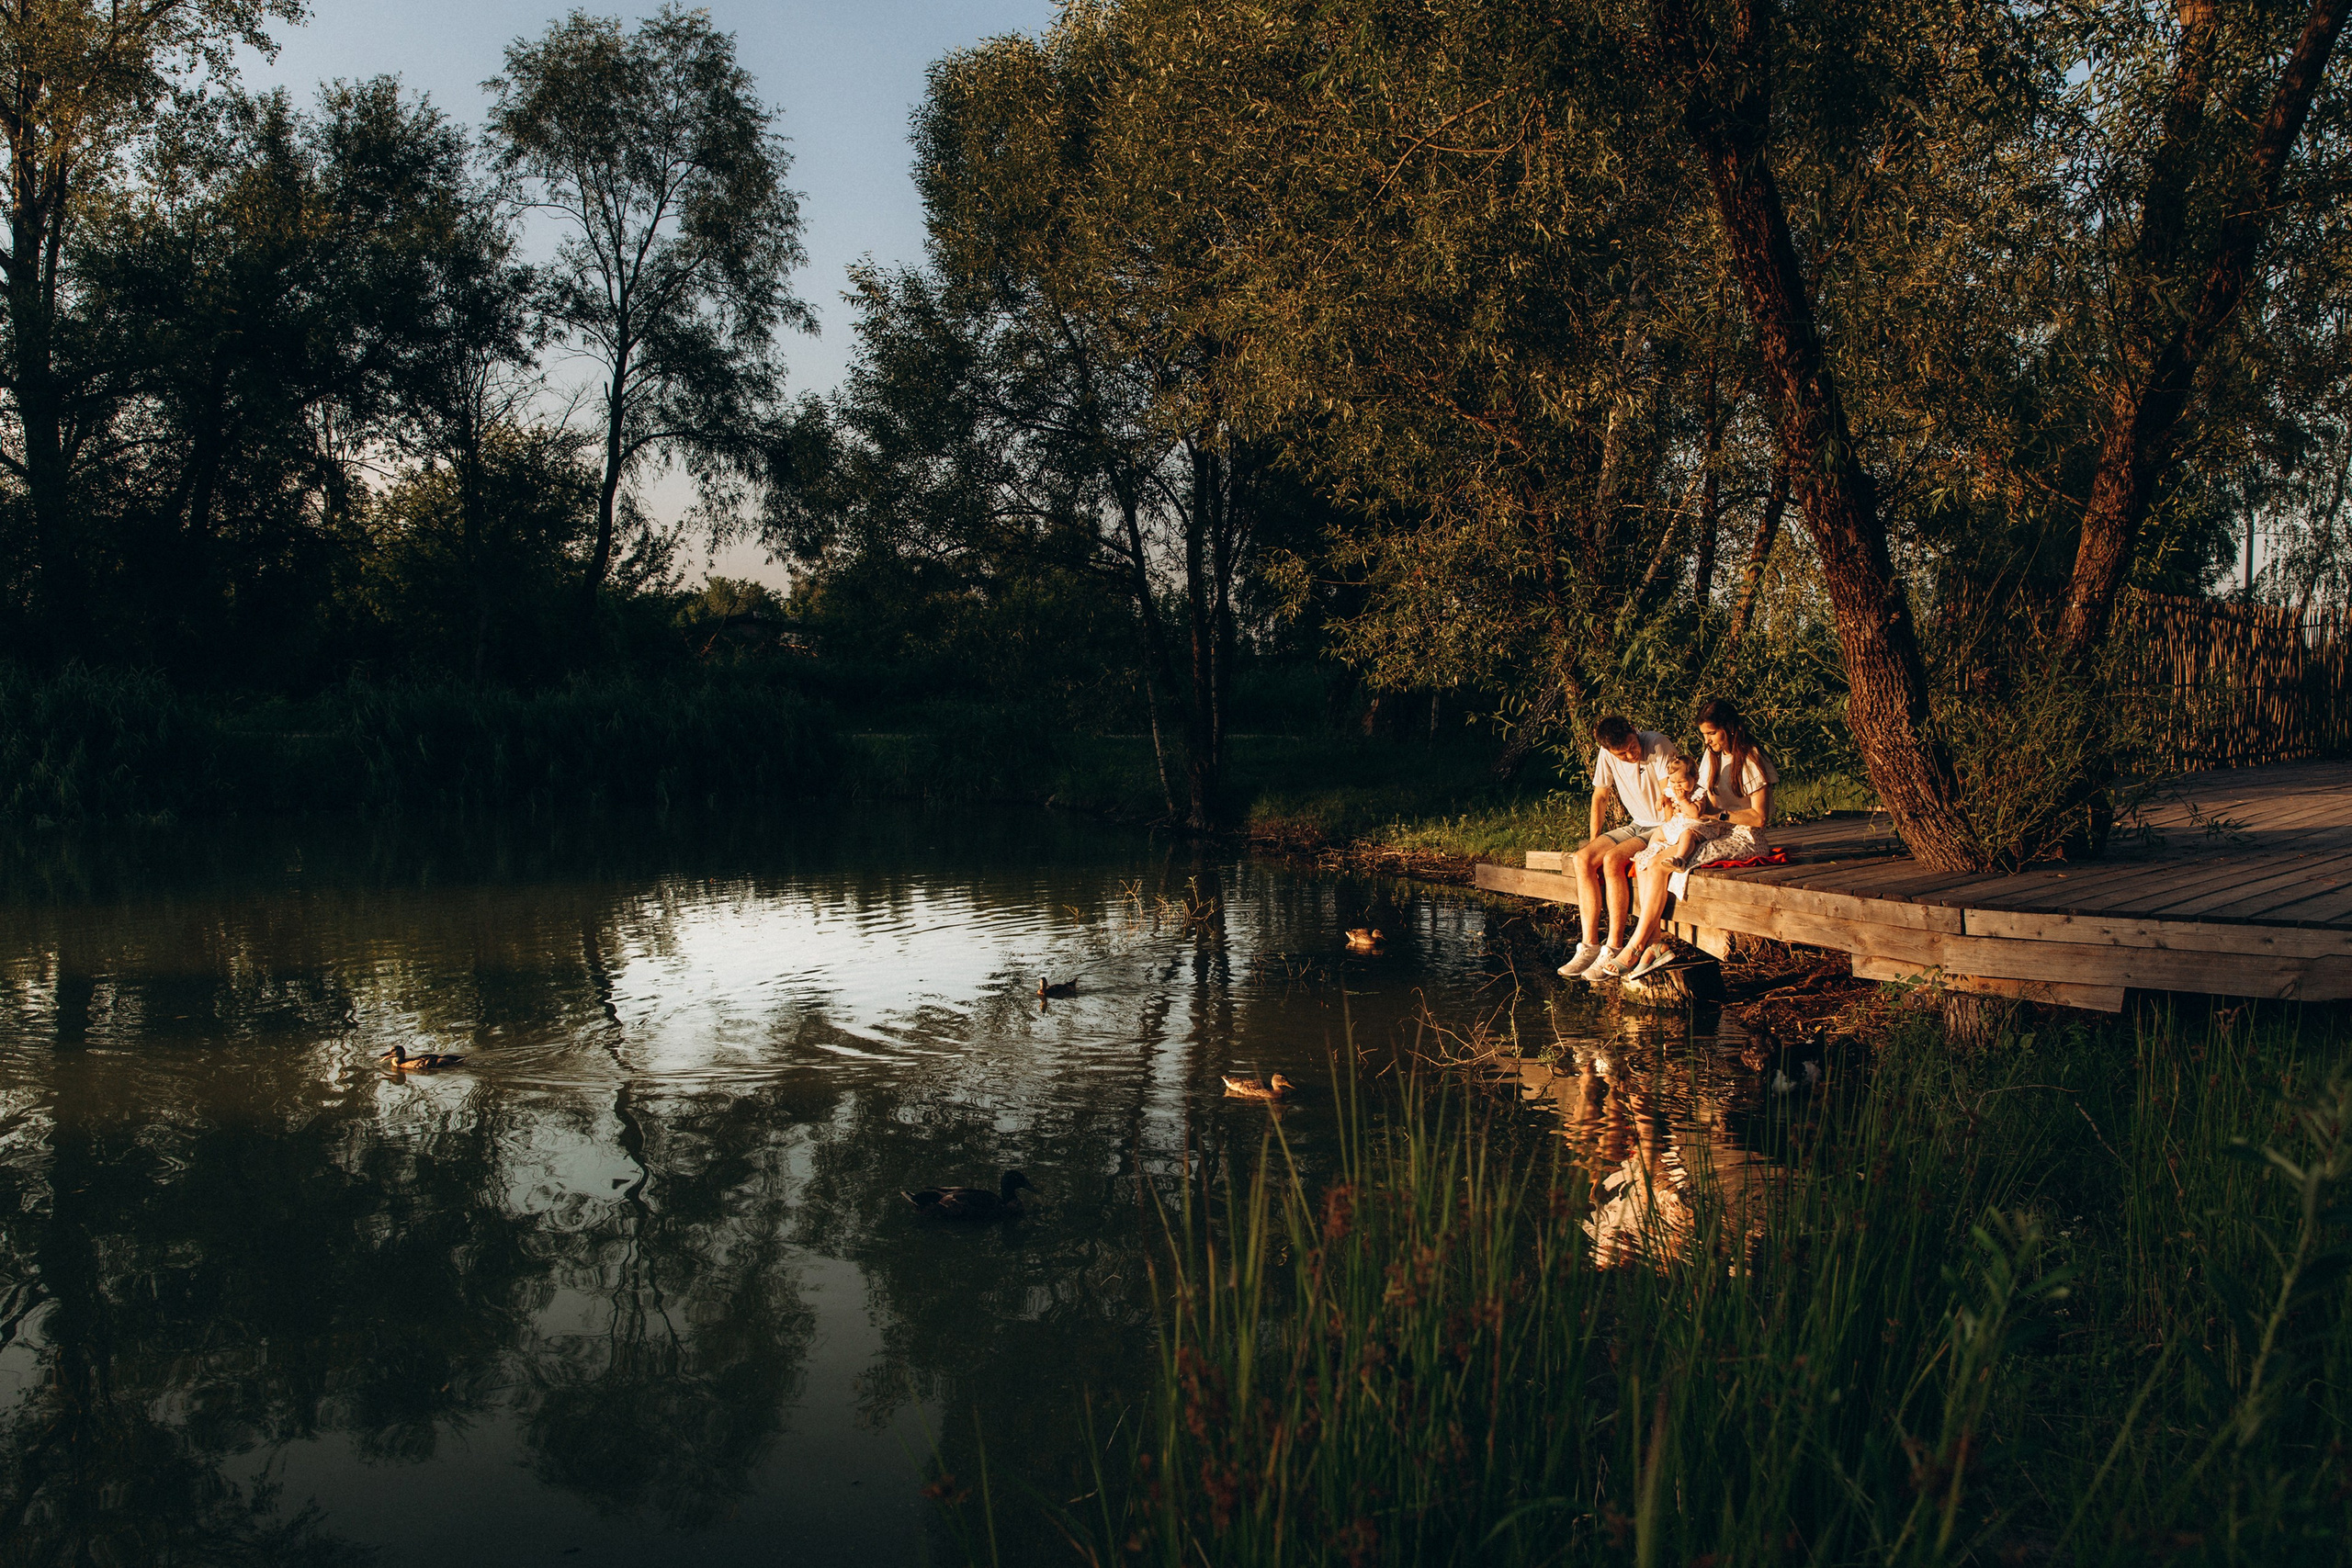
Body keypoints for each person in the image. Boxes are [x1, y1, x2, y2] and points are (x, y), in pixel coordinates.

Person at [1599, 697, 1778, 982]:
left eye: (1711, 734)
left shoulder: (1751, 759)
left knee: (1662, 865)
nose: (1707, 741)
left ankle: (1636, 945)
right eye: (1704, 734)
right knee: (1648, 859)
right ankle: (1654, 944)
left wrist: (1716, 817)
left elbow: (1759, 818)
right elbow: (1699, 796)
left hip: (1743, 836)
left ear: (1729, 728)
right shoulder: (1712, 755)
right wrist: (1678, 804)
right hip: (1711, 827)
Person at [1556, 716, 1680, 978]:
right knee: (1582, 859)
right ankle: (1590, 946)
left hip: (1659, 826)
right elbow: (1600, 797)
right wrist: (1594, 842)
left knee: (1613, 860)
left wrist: (1669, 838)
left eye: (1631, 747)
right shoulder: (1607, 752)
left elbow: (1666, 797)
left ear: (1635, 731)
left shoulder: (1657, 744)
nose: (1629, 755)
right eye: (1621, 754)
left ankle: (1613, 946)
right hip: (1637, 824)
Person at [1633, 753, 1728, 873]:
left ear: (1695, 778)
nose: (1677, 786)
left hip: (1697, 826)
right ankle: (1650, 852)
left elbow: (1696, 814)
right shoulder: (1672, 789)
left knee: (1687, 834)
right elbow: (1666, 793)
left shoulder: (1698, 793)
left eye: (1681, 782)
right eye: (1672, 782)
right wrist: (1661, 799)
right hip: (1678, 823)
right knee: (1659, 831)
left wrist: (1683, 800)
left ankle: (1680, 859)